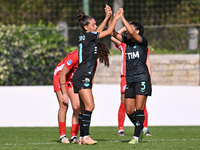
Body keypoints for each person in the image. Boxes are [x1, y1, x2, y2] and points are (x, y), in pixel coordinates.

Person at [72, 5, 122, 145]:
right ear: (86, 27)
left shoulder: (86, 36)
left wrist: (106, 18)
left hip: (80, 76)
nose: (95, 27)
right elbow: (109, 31)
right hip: (83, 76)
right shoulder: (89, 36)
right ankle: (86, 136)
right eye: (93, 25)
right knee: (90, 106)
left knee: (83, 109)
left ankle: (82, 138)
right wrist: (116, 18)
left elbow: (99, 31)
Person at [112, 8, 152, 144]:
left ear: (138, 31)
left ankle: (136, 137)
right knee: (129, 110)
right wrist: (114, 19)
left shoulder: (142, 41)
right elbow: (111, 33)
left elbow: (133, 32)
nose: (127, 29)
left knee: (139, 108)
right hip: (130, 80)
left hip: (142, 79)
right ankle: (140, 127)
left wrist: (123, 18)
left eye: (130, 28)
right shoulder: (126, 42)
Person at [53, 50, 80, 144]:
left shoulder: (91, 58)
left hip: (71, 79)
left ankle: (74, 136)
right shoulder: (75, 55)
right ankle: (63, 136)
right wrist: (64, 93)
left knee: (77, 107)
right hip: (60, 76)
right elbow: (62, 74)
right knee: (64, 105)